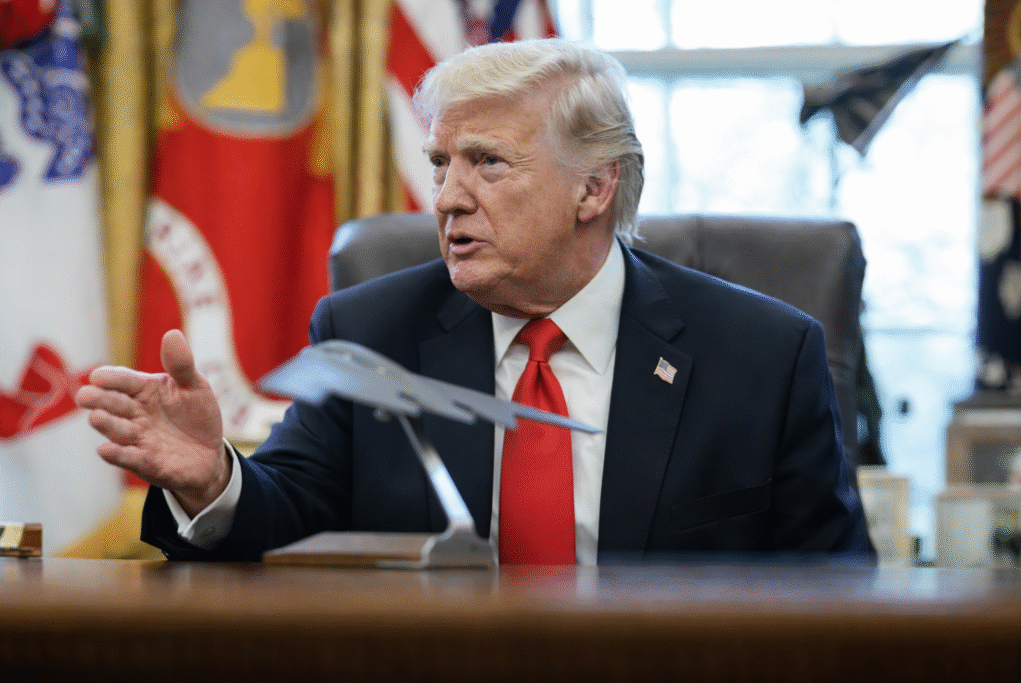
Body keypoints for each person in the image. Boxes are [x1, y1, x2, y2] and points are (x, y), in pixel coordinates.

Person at [76, 38, 871, 564]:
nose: (449, 197)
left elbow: (837, 595)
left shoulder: (763, 356)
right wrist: (210, 478)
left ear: (594, 188)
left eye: (487, 162)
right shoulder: (369, 331)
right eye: (440, 163)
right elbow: (286, 514)